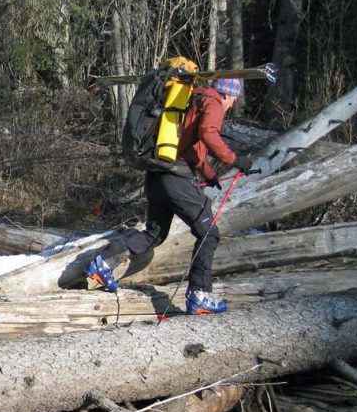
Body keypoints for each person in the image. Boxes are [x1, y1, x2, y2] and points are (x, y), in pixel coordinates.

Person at [86, 77, 253, 314]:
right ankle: (200, 294)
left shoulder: (193, 100)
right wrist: (236, 160)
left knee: (155, 234)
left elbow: (193, 149)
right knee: (209, 234)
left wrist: (210, 174)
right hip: (176, 178)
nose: (232, 104)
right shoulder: (213, 102)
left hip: (157, 175)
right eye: (233, 99)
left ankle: (103, 262)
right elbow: (208, 133)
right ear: (228, 94)